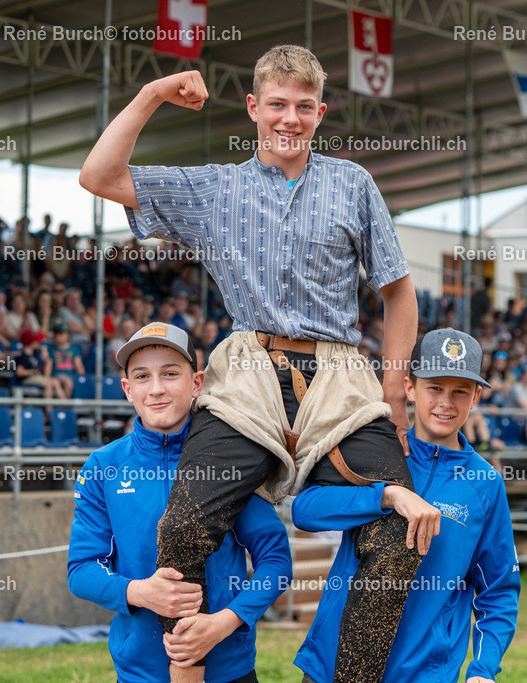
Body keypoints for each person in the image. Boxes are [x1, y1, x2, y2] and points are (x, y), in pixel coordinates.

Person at [80, 44, 431, 683]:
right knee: (183, 523)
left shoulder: (354, 183)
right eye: (277, 105)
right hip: (246, 371)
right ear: (253, 108)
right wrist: (154, 93)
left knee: (397, 536)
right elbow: (99, 177)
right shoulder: (218, 188)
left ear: (320, 113)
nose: (289, 119)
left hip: (342, 377)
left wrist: (396, 391)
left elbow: (398, 291)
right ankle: (189, 673)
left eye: (303, 106)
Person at [294, 328, 521, 683]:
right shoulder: (373, 451)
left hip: (420, 674)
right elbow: (305, 511)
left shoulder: (485, 484)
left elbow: (499, 592)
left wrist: (483, 669)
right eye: (434, 388)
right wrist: (386, 495)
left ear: (476, 396)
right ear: (410, 387)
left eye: (459, 391)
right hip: (333, 663)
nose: (446, 403)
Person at [68, 322, 291, 682]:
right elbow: (81, 571)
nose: (156, 389)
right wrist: (140, 592)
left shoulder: (228, 460)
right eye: (142, 376)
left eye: (170, 374)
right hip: (140, 671)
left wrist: (225, 622)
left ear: (197, 383)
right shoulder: (104, 467)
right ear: (127, 389)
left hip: (228, 669)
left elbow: (276, 561)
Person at [15, 329, 66, 399]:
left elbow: (47, 364)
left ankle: (64, 407)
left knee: (55, 382)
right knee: (49, 384)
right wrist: (33, 372)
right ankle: (49, 409)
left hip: (34, 378)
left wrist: (43, 350)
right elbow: (19, 372)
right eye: (36, 341)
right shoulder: (23, 355)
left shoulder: (34, 354)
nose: (38, 343)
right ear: (31, 342)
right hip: (26, 379)